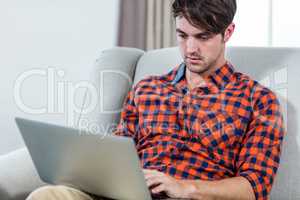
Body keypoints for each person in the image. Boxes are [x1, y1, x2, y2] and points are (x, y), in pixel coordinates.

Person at [26, 0, 285, 200]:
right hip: (129, 194)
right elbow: (115, 156)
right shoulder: (147, 89)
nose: (190, 49)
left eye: (203, 37)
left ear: (228, 33)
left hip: (192, 196)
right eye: (183, 36)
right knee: (48, 195)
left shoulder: (258, 100)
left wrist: (184, 188)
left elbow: (254, 187)